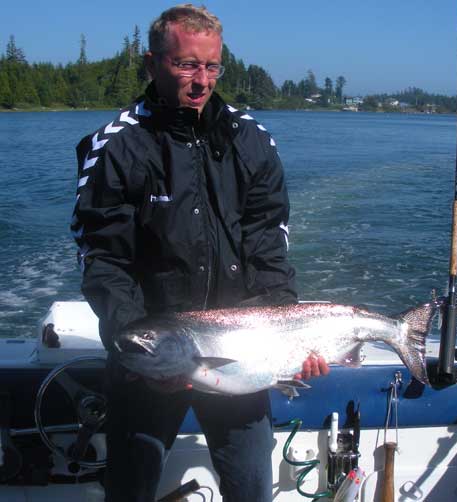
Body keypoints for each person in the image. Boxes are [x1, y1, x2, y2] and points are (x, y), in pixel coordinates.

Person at [71, 4, 329, 501]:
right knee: (130, 490)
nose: (201, 80)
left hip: (243, 352)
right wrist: (140, 346)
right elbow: (102, 258)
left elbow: (268, 242)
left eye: (212, 66)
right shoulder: (117, 147)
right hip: (152, 356)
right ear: (153, 64)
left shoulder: (250, 140)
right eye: (187, 64)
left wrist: (291, 339)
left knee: (252, 490)